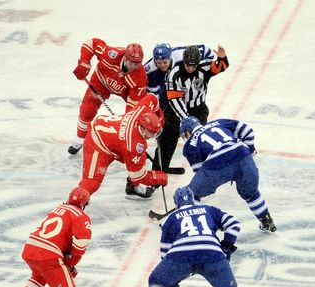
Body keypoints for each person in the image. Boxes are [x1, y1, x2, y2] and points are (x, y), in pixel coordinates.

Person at [135, 186, 255, 287]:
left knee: (156, 282)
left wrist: (171, 279)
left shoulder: (171, 218)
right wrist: (226, 246)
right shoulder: (209, 210)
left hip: (181, 255)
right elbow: (234, 224)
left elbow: (165, 253)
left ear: (176, 203)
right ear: (194, 199)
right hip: (213, 255)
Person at [14, 186, 92, 287]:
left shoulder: (58, 209)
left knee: (40, 273)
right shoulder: (81, 216)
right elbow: (79, 247)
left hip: (30, 248)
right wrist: (70, 264)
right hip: (49, 255)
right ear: (85, 204)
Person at [179, 116, 277, 232]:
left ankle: (198, 229)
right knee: (251, 193)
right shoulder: (219, 122)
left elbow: (200, 171)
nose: (186, 138)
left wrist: (212, 182)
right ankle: (266, 220)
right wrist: (249, 150)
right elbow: (246, 130)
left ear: (187, 131)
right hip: (242, 154)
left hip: (217, 163)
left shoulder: (190, 145)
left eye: (185, 135)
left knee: (192, 194)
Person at [143, 43, 217, 175]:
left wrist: (208, 62)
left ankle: (206, 171)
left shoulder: (181, 56)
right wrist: (159, 113)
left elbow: (206, 50)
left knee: (198, 138)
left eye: (164, 62)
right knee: (167, 136)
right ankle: (159, 169)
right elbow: (150, 94)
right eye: (158, 62)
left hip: (196, 106)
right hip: (171, 102)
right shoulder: (149, 69)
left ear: (170, 57)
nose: (162, 65)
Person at [78, 92, 169, 199]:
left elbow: (152, 98)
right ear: (143, 128)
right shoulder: (133, 145)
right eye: (152, 132)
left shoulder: (143, 111)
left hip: (113, 137)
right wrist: (157, 178)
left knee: (139, 159)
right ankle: (74, 203)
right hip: (97, 143)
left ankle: (132, 187)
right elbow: (138, 176)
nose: (154, 136)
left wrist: (160, 118)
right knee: (92, 182)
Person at [69, 38, 148, 155]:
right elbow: (91, 43)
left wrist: (126, 123)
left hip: (124, 90)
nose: (133, 67)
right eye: (131, 63)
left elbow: (134, 105)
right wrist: (84, 63)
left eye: (137, 64)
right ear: (125, 58)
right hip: (101, 82)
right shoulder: (111, 54)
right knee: (87, 109)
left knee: (135, 116)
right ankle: (79, 140)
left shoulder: (140, 77)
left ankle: (131, 143)